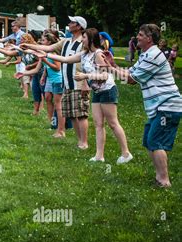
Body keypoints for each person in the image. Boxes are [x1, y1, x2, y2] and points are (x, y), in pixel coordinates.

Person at [38, 28, 133, 163]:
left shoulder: (98, 55)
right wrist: (46, 55)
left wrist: (85, 76)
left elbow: (105, 75)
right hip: (97, 92)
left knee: (112, 123)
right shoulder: (84, 54)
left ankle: (126, 153)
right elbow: (65, 59)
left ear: (91, 40)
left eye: (84, 38)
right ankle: (99, 156)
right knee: (98, 124)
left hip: (108, 91)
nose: (82, 40)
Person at [108, 24, 182, 188]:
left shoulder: (154, 55)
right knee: (149, 141)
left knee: (155, 141)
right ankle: (159, 177)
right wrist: (112, 66)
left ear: (149, 38)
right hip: (159, 106)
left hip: (168, 105)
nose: (137, 37)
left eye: (141, 35)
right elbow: (130, 76)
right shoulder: (145, 54)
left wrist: (109, 68)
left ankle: (164, 180)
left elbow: (130, 79)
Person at [22, 16, 90, 150]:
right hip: (67, 83)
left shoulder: (84, 43)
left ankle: (84, 142)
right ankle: (79, 141)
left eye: (72, 22)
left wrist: (86, 83)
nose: (69, 24)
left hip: (79, 83)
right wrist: (28, 45)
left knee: (81, 115)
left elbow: (86, 63)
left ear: (79, 27)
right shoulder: (66, 42)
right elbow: (48, 48)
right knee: (72, 114)